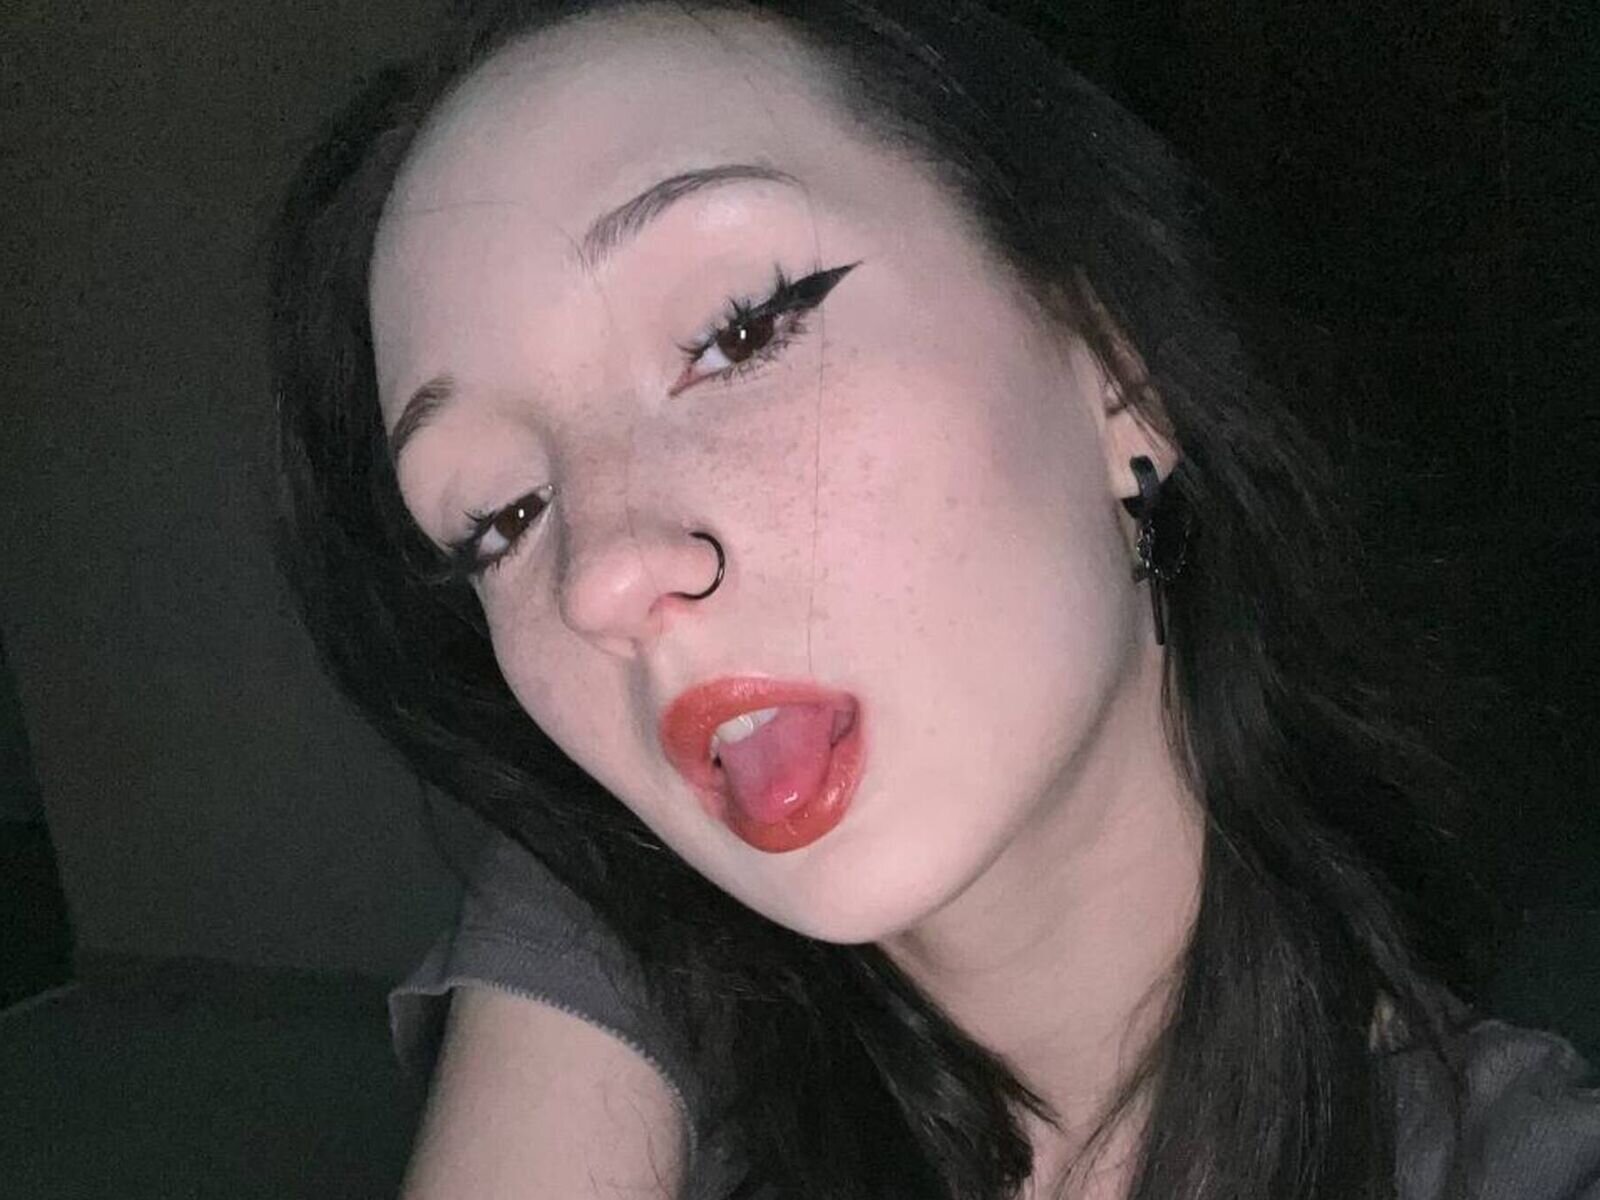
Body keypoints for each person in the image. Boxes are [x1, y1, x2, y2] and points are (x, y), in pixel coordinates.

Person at [267, 1, 1600, 1197]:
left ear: (1116, 362)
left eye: (742, 328)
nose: (599, 577)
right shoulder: (615, 912)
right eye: (500, 515)